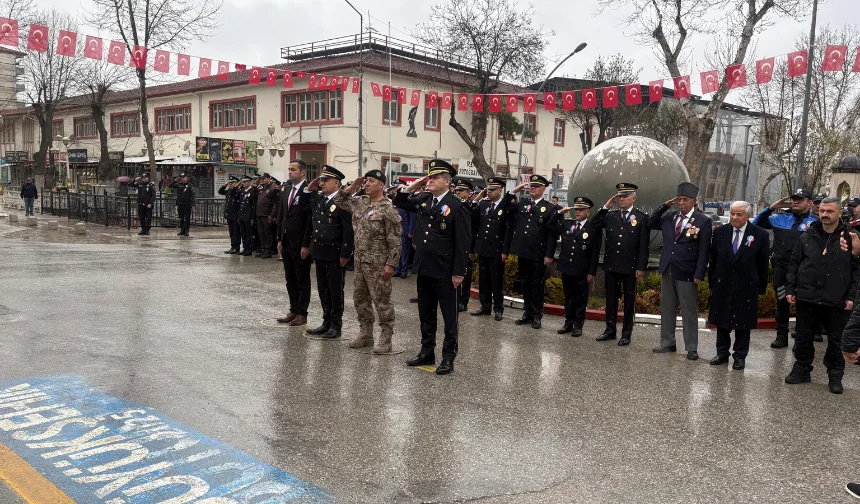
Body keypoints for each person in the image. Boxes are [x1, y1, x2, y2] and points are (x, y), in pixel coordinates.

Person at [394, 160, 470, 375]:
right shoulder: (425, 199)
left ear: (447, 181)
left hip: (446, 270)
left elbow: (463, 242)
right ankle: (427, 352)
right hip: (425, 266)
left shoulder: (458, 205)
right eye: (429, 177)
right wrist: (415, 184)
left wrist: (459, 272)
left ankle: (448, 357)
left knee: (449, 317)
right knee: (426, 314)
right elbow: (399, 200)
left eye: (435, 178)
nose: (430, 181)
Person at [784, 197, 859, 394]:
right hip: (807, 296)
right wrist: (791, 289)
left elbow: (857, 270)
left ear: (839, 213)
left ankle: (835, 374)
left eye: (830, 211)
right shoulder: (808, 234)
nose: (824, 214)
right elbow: (794, 263)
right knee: (803, 336)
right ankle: (802, 368)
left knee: (835, 340)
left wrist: (852, 296)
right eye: (822, 211)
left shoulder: (851, 237)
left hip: (837, 298)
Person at [335, 170, 402, 353]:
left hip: (378, 263)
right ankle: (366, 334)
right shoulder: (360, 202)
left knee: (382, 300)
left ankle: (386, 338)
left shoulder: (388, 208)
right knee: (360, 298)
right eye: (366, 181)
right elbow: (338, 200)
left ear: (381, 185)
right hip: (359, 261)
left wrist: (391, 264)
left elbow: (395, 239)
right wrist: (352, 188)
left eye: (371, 181)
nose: (367, 184)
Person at [648, 182, 712, 360]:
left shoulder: (703, 221)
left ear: (693, 201)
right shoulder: (670, 216)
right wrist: (665, 206)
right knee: (667, 307)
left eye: (685, 200)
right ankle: (667, 342)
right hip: (668, 267)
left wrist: (699, 273)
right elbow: (651, 222)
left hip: (687, 271)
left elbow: (704, 250)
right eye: (679, 199)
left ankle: (691, 347)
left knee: (688, 310)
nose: (681, 203)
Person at [707, 201, 770, 370]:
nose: (734, 217)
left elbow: (762, 264)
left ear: (748, 216)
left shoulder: (760, 235)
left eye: (739, 214)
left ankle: (740, 356)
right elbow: (713, 259)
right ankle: (722, 353)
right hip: (723, 284)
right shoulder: (720, 232)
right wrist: (712, 282)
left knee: (743, 324)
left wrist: (761, 288)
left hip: (747, 286)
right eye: (732, 213)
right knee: (722, 322)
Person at [753, 188, 817, 349]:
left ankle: (801, 339)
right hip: (782, 269)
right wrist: (771, 207)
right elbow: (757, 223)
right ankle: (781, 336)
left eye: (800, 199)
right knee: (782, 303)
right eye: (794, 199)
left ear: (809, 203)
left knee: (803, 305)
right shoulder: (781, 218)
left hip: (804, 270)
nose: (795, 201)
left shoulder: (815, 222)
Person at [590, 183, 650, 346]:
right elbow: (594, 224)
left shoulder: (641, 217)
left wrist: (641, 266)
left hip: (630, 266)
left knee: (629, 301)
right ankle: (610, 330)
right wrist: (606, 207)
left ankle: (626, 334)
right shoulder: (611, 215)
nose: (621, 199)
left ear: (634, 198)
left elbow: (644, 244)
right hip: (612, 264)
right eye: (620, 196)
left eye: (625, 196)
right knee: (611, 299)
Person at [302, 166, 354, 339]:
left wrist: (345, 253)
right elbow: (303, 205)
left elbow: (348, 231)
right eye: (321, 181)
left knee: (335, 290)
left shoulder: (342, 202)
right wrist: (309, 189)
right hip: (320, 251)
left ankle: (336, 325)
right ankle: (326, 322)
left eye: (326, 181)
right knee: (323, 289)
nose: (322, 183)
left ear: (336, 183)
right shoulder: (319, 199)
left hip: (335, 253)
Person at [504, 175, 558, 329]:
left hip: (538, 253)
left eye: (536, 186)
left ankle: (536, 315)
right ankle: (527, 312)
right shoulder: (523, 204)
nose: (532, 188)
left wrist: (549, 254)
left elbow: (552, 234)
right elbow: (504, 206)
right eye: (531, 186)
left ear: (543, 189)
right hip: (523, 251)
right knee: (525, 283)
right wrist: (514, 191)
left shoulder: (550, 208)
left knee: (537, 285)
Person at [549, 197, 601, 336]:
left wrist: (591, 271)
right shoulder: (567, 224)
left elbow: (595, 252)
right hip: (566, 267)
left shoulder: (592, 228)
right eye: (576, 209)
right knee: (568, 297)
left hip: (581, 269)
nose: (578, 212)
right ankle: (568, 323)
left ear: (588, 212)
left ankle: (578, 325)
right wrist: (559, 212)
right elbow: (550, 225)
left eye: (581, 209)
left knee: (580, 299)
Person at [276, 160, 313, 327]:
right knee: (290, 278)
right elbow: (282, 215)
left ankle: (302, 313)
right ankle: (293, 309)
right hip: (286, 241)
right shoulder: (287, 189)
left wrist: (306, 244)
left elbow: (309, 221)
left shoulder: (308, 190)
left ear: (302, 172)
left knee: (302, 279)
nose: (290, 172)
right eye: (289, 169)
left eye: (293, 169)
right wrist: (279, 239)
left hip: (300, 243)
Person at [471, 177, 512, 321]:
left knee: (496, 281)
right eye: (489, 189)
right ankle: (485, 306)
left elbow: (508, 231)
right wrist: (475, 200)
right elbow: (473, 218)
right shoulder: (484, 204)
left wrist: (505, 251)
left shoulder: (505, 207)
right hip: (483, 247)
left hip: (497, 249)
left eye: (493, 190)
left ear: (500, 190)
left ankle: (498, 309)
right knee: (484, 280)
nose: (490, 192)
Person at [452, 177, 477, 312]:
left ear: (469, 193)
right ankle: (454, 299)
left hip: (467, 246)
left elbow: (473, 230)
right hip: (454, 245)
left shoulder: (473, 207)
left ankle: (463, 301)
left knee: (465, 276)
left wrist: (471, 249)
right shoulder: (454, 205)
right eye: (456, 191)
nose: (458, 193)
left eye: (461, 191)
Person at [393, 179, 415, 279]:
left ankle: (404, 270)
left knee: (405, 251)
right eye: (397, 188)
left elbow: (412, 217)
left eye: (400, 188)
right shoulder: (395, 199)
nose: (397, 189)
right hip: (396, 230)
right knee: (397, 250)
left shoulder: (409, 200)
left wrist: (411, 231)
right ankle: (397, 269)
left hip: (405, 229)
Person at [254, 173, 279, 259]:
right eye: (261, 179)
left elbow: (275, 204)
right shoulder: (261, 188)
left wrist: (272, 215)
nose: (262, 180)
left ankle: (268, 250)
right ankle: (263, 249)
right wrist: (256, 183)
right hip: (259, 214)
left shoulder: (272, 189)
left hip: (266, 215)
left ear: (268, 179)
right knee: (261, 234)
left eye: (263, 179)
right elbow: (254, 194)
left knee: (267, 233)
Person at [219, 176, 241, 253]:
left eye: (232, 183)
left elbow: (236, 194)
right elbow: (221, 192)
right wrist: (223, 186)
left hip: (235, 215)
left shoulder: (238, 191)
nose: (230, 184)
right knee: (231, 232)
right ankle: (233, 246)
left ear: (236, 183)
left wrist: (235, 187)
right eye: (230, 183)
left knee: (236, 232)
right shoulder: (229, 191)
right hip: (229, 214)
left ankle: (236, 247)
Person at [237, 176, 255, 255]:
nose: (243, 184)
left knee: (248, 233)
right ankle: (245, 247)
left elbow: (253, 206)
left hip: (248, 216)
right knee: (243, 233)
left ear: (249, 182)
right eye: (242, 182)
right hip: (242, 215)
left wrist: (252, 218)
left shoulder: (252, 191)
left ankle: (249, 249)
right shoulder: (242, 191)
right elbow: (241, 204)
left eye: (245, 182)